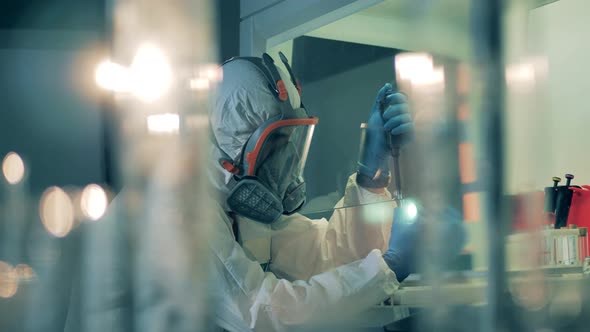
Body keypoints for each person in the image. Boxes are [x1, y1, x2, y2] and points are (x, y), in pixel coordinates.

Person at [207, 53, 460, 331]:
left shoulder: (249, 209)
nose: (287, 157)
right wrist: (390, 265)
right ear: (229, 151)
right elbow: (264, 312)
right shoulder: (189, 217)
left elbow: (329, 258)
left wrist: (371, 177)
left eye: (291, 138)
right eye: (276, 142)